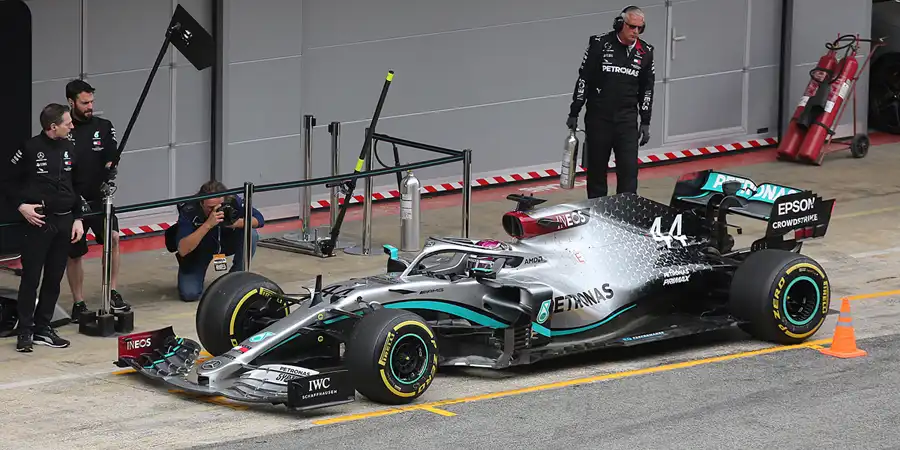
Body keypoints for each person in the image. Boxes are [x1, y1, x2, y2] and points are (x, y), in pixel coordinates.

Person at [6, 104, 85, 352]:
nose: (71, 126)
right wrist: (21, 206)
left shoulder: (70, 147)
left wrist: (78, 218)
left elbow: (77, 185)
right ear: (53, 127)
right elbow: (7, 180)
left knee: (54, 277)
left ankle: (43, 328)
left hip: (65, 221)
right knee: (31, 278)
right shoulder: (30, 148)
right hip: (39, 222)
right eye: (67, 123)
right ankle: (25, 331)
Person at [566, 5, 655, 199]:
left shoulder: (646, 51)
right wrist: (574, 111)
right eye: (632, 26)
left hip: (627, 120)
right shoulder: (599, 44)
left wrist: (645, 121)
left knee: (629, 170)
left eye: (640, 28)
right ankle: (597, 211)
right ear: (620, 24)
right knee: (597, 170)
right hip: (599, 118)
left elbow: (647, 89)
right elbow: (584, 79)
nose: (635, 31)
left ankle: (627, 210)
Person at [63, 79, 131, 321]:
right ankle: (78, 303)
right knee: (75, 252)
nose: (90, 106)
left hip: (100, 197)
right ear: (71, 102)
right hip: (73, 200)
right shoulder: (64, 130)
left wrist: (112, 164)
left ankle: (111, 291)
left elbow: (112, 153)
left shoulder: (104, 126)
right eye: (84, 103)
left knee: (114, 238)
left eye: (91, 101)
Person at [172, 180, 264, 302]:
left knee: (251, 234)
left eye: (219, 206)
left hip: (225, 242)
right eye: (210, 208)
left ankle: (236, 278)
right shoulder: (190, 209)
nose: (215, 211)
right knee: (189, 294)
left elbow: (259, 220)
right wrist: (207, 224)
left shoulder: (232, 201)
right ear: (201, 203)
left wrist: (234, 223)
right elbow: (183, 249)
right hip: (199, 249)